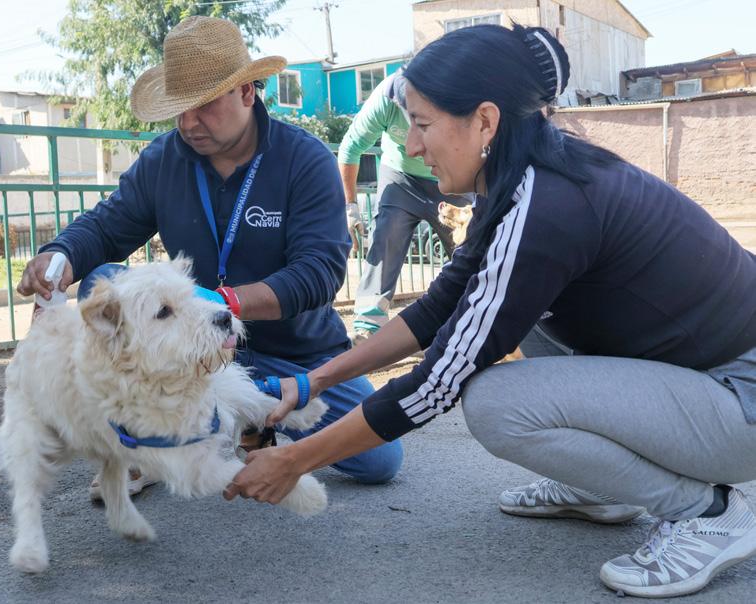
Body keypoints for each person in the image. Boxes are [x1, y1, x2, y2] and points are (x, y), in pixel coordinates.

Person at [225, 23, 756, 598]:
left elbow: (440, 381)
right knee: (507, 313)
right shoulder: (521, 181)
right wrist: (314, 382)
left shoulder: (547, 206)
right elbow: (440, 307)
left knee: (494, 403)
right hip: (706, 382)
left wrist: (295, 461)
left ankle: (710, 512)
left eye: (422, 124)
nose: (411, 147)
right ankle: (601, 488)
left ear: (484, 120)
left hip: (739, 400)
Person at [16, 16, 402, 500]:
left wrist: (221, 304)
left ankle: (246, 415)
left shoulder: (305, 161)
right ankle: (149, 450)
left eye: (202, 106)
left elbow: (318, 274)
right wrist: (59, 255)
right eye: (179, 109)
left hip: (293, 353)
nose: (187, 123)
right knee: (105, 282)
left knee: (379, 459)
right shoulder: (164, 159)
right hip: (189, 347)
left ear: (246, 91)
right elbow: (107, 226)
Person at [338, 68, 469, 342]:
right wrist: (350, 207)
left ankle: (470, 319)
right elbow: (350, 149)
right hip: (399, 176)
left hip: (450, 176)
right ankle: (368, 326)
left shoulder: (451, 96)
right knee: (386, 236)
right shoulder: (384, 100)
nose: (413, 144)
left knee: (469, 247)